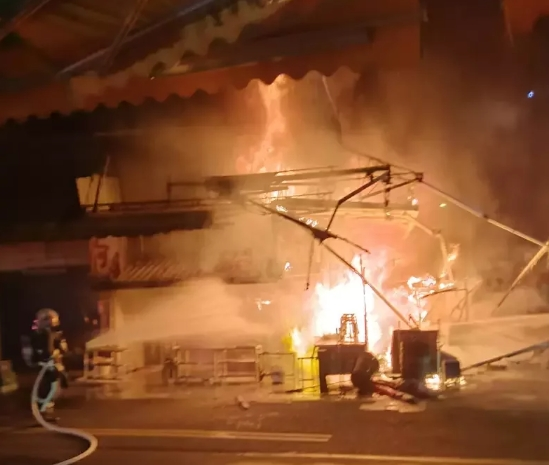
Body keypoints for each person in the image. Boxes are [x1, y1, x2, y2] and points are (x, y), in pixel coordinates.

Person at [22, 308, 68, 422]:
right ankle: (43, 412)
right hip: (42, 366)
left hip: (52, 365)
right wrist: (33, 361)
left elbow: (63, 349)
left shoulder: (55, 335)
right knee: (45, 389)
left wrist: (59, 351)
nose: (49, 325)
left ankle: (46, 410)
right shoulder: (34, 336)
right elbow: (29, 351)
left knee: (54, 388)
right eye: (47, 321)